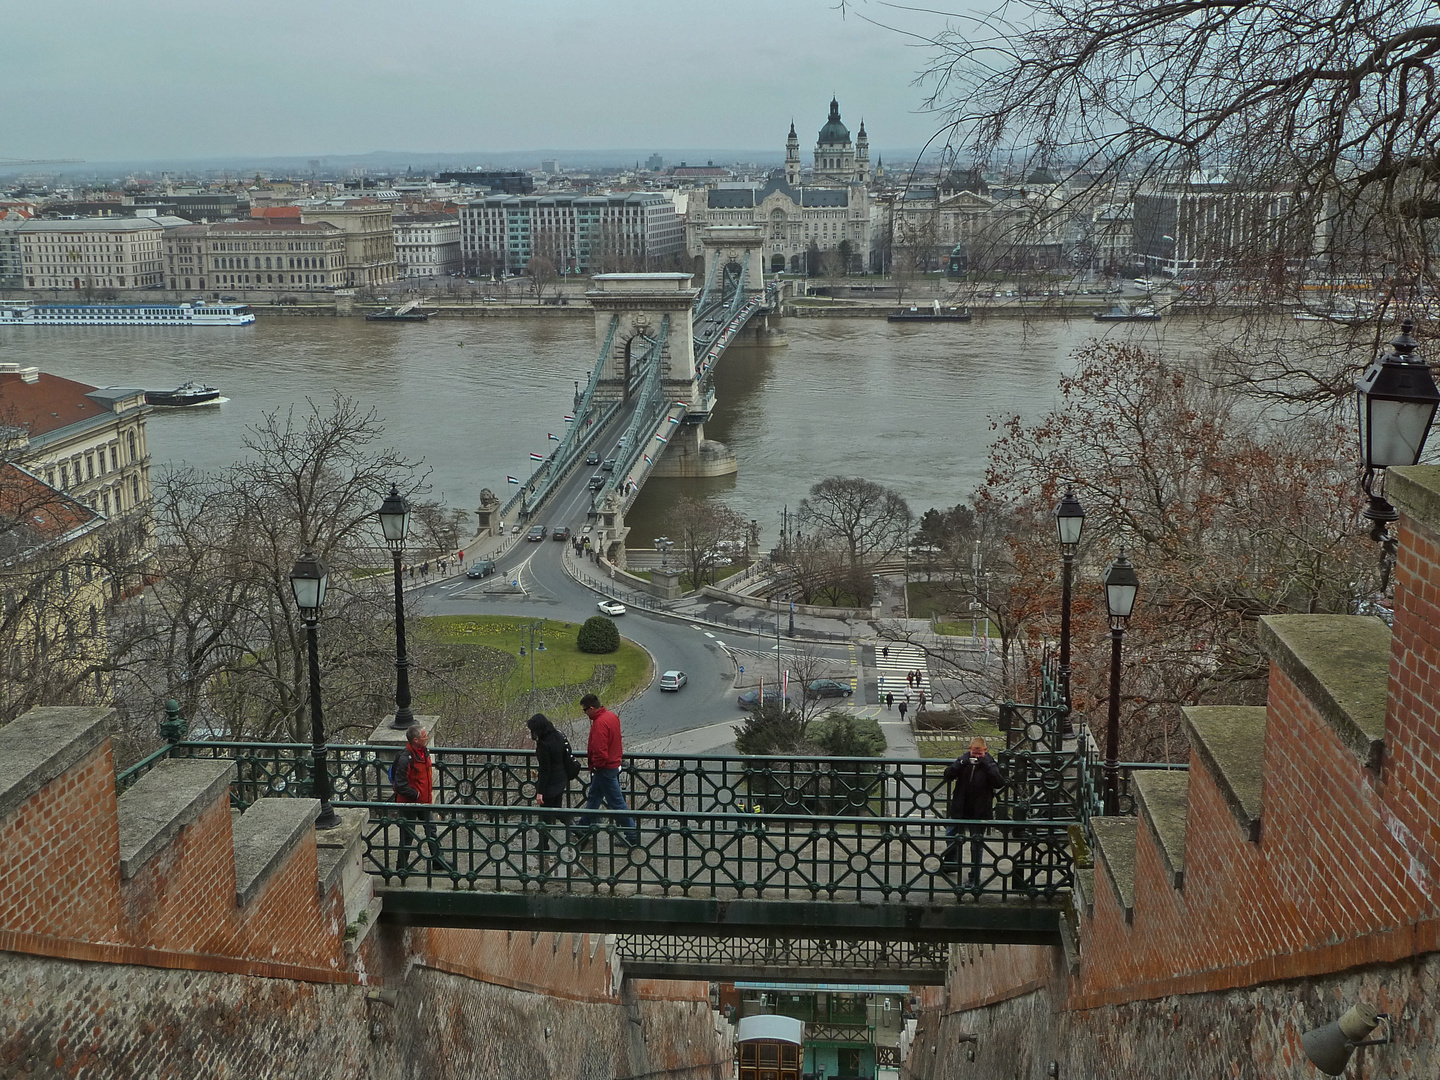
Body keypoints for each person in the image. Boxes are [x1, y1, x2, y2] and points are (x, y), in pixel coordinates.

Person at [941, 737, 1006, 887]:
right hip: (960, 808)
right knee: (951, 835)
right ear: (970, 748)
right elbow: (948, 774)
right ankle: (951, 863)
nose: (976, 756)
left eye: (979, 753)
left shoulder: (990, 763)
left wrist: (986, 765)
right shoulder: (964, 760)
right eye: (974, 753)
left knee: (976, 845)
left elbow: (999, 782)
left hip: (979, 810)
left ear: (985, 750)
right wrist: (961, 763)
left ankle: (974, 877)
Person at [576, 693, 637, 846]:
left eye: (585, 711)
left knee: (617, 803)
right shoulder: (611, 717)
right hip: (613, 765)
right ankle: (583, 826)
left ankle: (632, 836)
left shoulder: (599, 724)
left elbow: (600, 750)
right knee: (594, 797)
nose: (585, 714)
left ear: (591, 708)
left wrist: (596, 765)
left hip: (604, 769)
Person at [392, 725, 450, 874]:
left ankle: (438, 860)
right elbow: (399, 784)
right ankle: (402, 866)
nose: (427, 737)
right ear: (415, 739)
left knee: (431, 830)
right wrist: (416, 795)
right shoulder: (405, 759)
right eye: (424, 736)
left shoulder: (424, 752)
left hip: (424, 801)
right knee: (407, 835)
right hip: (409, 803)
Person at [527, 713, 573, 872]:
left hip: (550, 782)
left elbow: (545, 770)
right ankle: (577, 830)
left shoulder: (543, 744)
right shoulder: (558, 736)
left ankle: (545, 843)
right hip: (561, 778)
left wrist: (540, 792)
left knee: (546, 814)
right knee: (555, 810)